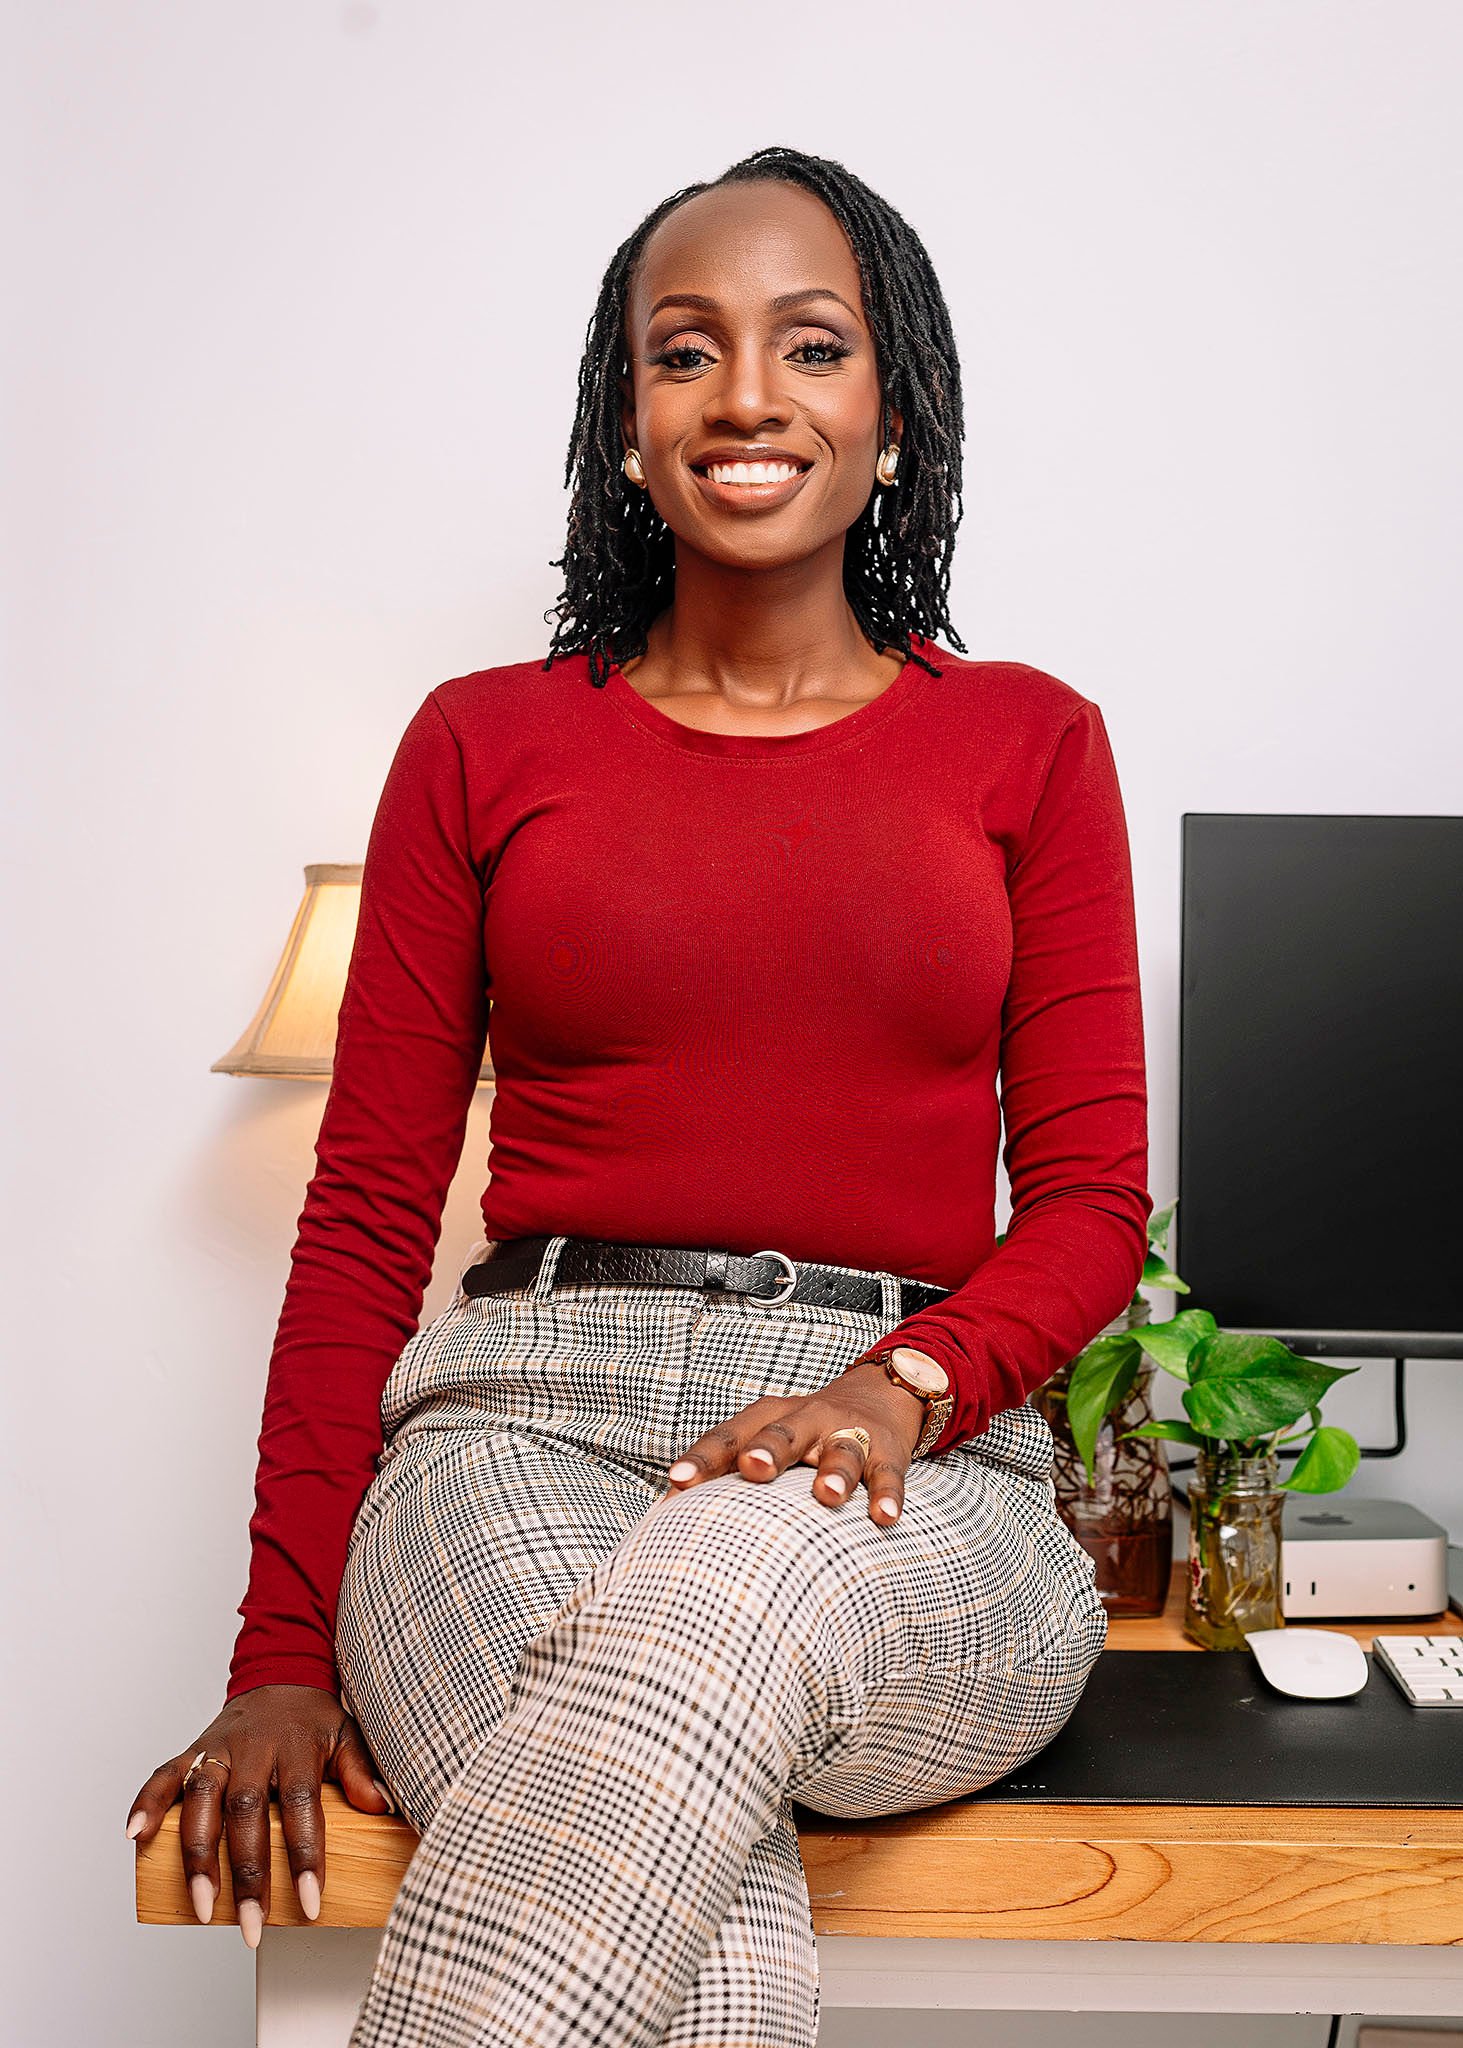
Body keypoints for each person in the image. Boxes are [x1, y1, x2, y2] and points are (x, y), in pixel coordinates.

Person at [125, 144, 1150, 2046]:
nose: (747, 394)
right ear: (625, 429)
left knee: (717, 1596)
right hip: (514, 1439)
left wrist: (896, 1386)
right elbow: (363, 1220)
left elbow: (1093, 1203)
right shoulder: (481, 746)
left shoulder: (1031, 743)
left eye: (811, 346)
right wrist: (280, 1650)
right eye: (686, 353)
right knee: (711, 1913)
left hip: (913, 1471)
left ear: (894, 420)